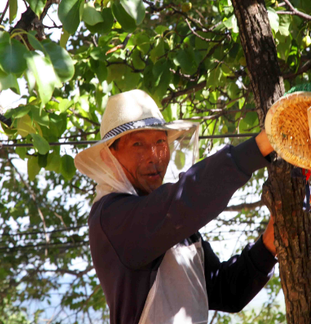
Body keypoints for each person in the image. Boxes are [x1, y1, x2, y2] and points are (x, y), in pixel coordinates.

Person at [74, 89, 278, 324]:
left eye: (160, 141)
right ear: (111, 156)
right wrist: (260, 146)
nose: (153, 156)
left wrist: (269, 244)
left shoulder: (172, 221)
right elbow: (184, 200)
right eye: (138, 144)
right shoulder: (111, 217)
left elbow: (225, 289)